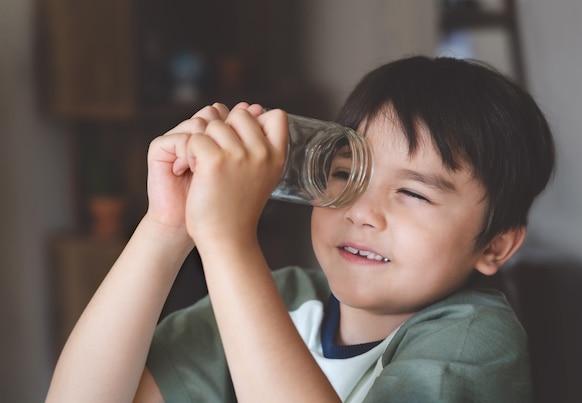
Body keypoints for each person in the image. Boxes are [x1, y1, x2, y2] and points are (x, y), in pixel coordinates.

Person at [46, 55, 555, 402]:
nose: (362, 211)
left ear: (495, 245)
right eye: (345, 175)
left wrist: (227, 241)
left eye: (413, 193)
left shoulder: (476, 341)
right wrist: (166, 229)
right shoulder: (283, 299)